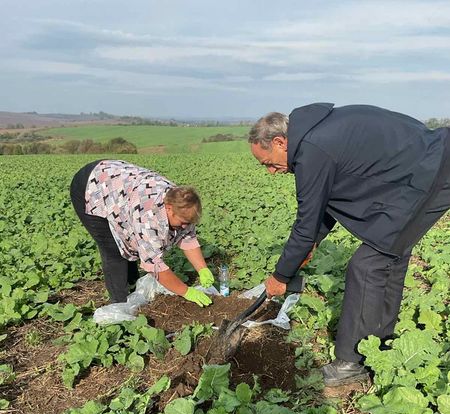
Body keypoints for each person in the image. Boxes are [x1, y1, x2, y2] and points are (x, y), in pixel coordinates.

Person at [248, 103, 450, 386]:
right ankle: (377, 344)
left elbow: (306, 221)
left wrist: (280, 277)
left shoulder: (313, 150)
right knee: (387, 256)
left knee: (368, 265)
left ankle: (350, 363)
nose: (271, 171)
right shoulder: (317, 132)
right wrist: (314, 242)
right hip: (429, 167)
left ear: (280, 142)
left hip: (430, 174)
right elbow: (325, 205)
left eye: (268, 162)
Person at [70, 159, 214, 307]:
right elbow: (154, 264)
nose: (185, 226)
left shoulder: (182, 203)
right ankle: (119, 304)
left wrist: (202, 269)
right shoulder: (148, 218)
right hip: (93, 188)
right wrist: (186, 291)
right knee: (113, 249)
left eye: (189, 223)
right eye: (183, 222)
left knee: (132, 244)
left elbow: (188, 237)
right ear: (169, 208)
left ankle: (133, 286)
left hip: (118, 185)